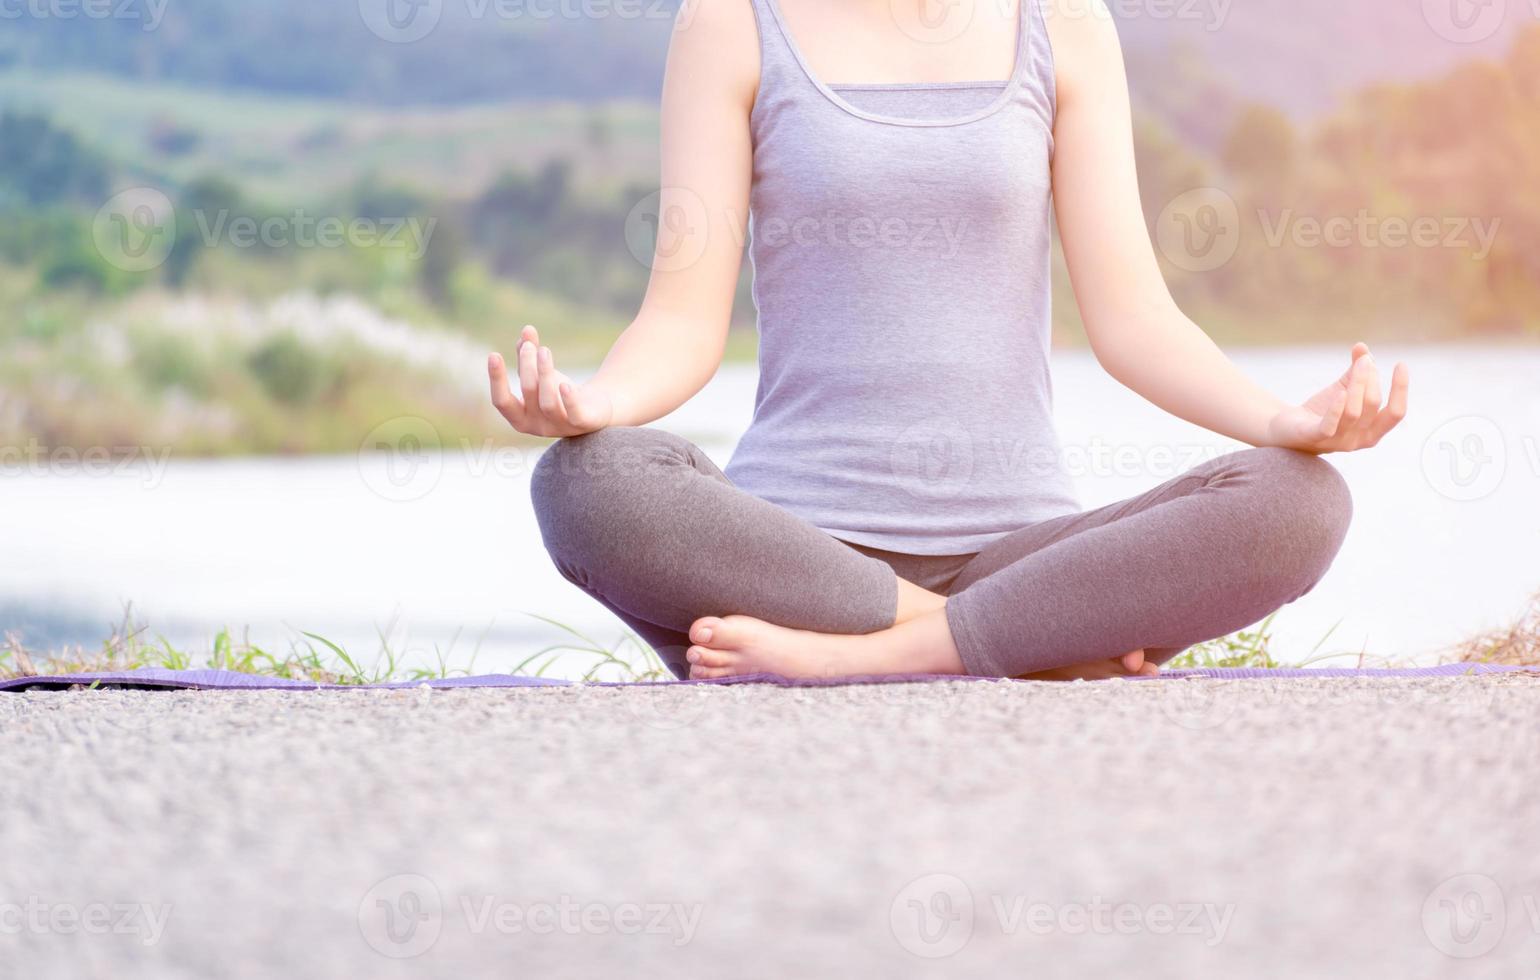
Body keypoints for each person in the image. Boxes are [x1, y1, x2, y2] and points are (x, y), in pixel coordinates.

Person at [486, 0, 1409, 681]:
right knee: (587, 481)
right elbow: (683, 321)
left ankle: (860, 661)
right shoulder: (731, 22)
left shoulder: (1066, 25)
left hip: (1024, 551)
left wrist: (1285, 420)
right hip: (793, 556)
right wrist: (595, 405)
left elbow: (1135, 321)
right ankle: (1021, 645)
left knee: (1300, 502)